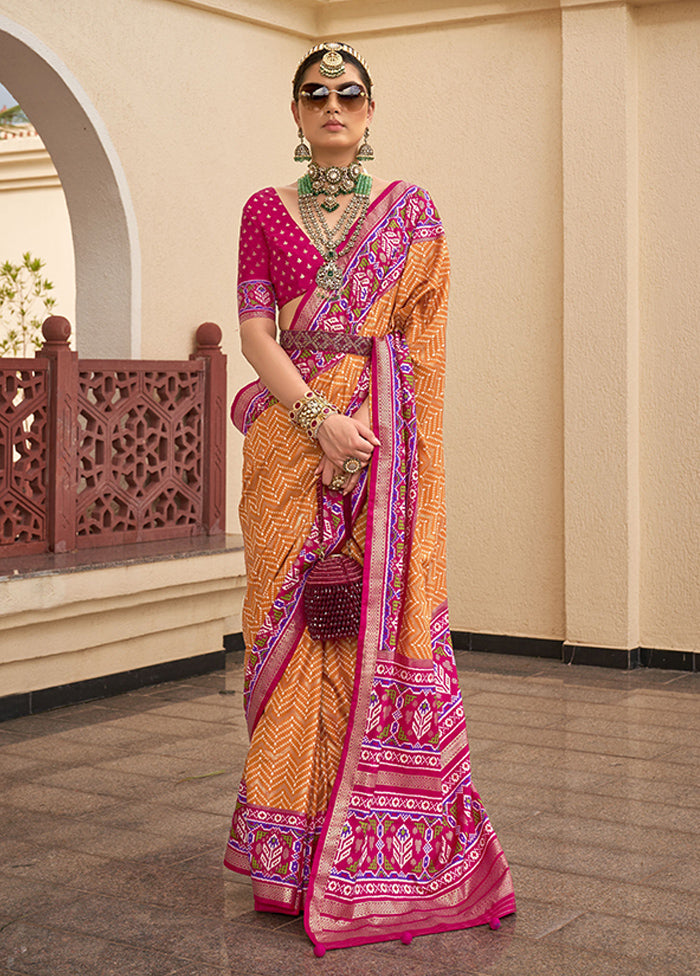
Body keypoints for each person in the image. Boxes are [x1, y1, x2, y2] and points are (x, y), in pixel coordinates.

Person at [225, 41, 515, 954]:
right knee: (285, 626)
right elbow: (255, 331)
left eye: (349, 94)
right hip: (288, 436)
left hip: (385, 443)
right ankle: (290, 858)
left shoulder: (414, 214)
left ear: (371, 109)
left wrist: (377, 445)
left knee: (366, 629)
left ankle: (374, 850)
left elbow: (422, 348)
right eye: (317, 95)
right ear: (298, 113)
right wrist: (317, 420)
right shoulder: (264, 210)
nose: (334, 107)